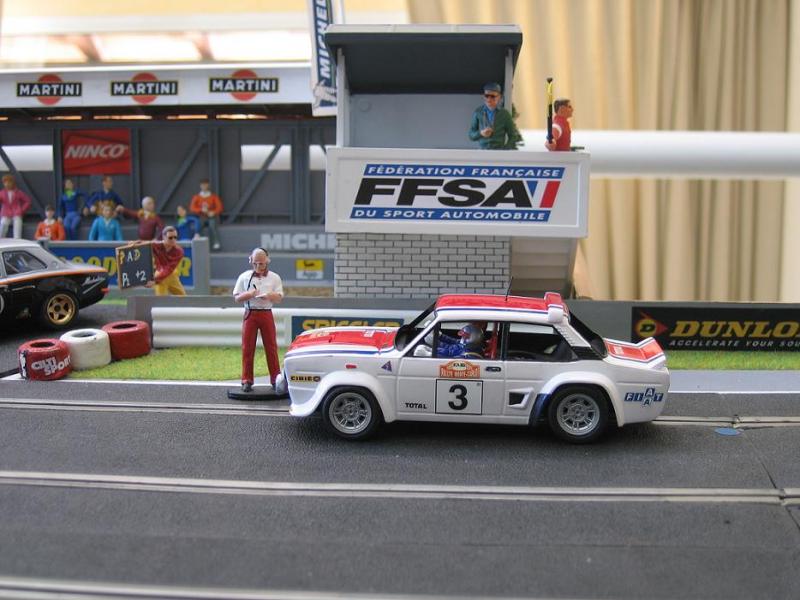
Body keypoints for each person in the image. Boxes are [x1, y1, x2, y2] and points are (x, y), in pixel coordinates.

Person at [233, 248, 283, 392]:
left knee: (271, 347)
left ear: (267, 261)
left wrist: (269, 296)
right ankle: (246, 379)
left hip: (266, 313)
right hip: (250, 313)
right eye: (255, 263)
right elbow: (237, 298)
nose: (258, 266)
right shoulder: (244, 277)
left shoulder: (274, 277)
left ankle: (275, 379)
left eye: (261, 263)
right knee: (247, 347)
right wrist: (249, 294)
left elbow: (279, 298)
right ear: (250, 260)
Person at [468, 83, 522, 150]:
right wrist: (481, 133)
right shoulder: (478, 112)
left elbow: (513, 136)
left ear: (499, 97)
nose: (489, 99)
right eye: (486, 96)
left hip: (499, 151)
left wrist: (505, 149)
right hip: (483, 152)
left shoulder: (504, 114)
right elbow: (471, 135)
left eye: (493, 96)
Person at [146, 226, 186, 296]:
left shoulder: (179, 251)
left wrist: (155, 280)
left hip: (171, 275)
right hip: (160, 275)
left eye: (175, 237)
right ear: (163, 237)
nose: (173, 240)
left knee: (183, 297)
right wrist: (133, 244)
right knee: (161, 299)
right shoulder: (156, 245)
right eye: (170, 238)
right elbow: (144, 244)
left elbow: (169, 268)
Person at [189, 178, 223, 250]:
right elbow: (192, 208)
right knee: (198, 225)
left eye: (205, 184)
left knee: (212, 225)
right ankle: (196, 240)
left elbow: (219, 207)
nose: (204, 186)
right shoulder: (197, 197)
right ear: (200, 186)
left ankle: (216, 242)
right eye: (202, 185)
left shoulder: (213, 196)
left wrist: (213, 212)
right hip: (201, 216)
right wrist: (200, 210)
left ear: (208, 185)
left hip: (211, 217)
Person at [0, 174, 32, 239]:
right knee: (3, 224)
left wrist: (22, 210)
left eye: (9, 182)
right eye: (5, 182)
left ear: (12, 183)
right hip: (6, 213)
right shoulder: (2, 193)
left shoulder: (18, 192)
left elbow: (28, 201)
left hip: (16, 213)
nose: (7, 184)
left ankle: (17, 241)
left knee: (17, 227)